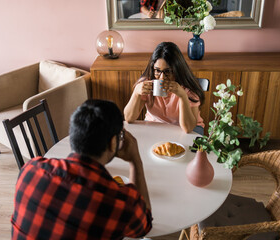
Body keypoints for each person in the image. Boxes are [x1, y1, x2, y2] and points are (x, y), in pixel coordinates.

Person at [11, 99, 152, 240]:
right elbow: (143, 227)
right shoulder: (118, 203)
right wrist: (135, 161)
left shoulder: (30, 170)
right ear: (113, 142)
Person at [124, 42, 205, 135]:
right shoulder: (147, 83)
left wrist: (182, 95)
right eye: (157, 71)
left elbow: (188, 128)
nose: (162, 77)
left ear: (177, 70)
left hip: (186, 129)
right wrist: (136, 93)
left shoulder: (189, 89)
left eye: (168, 71)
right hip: (155, 125)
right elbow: (128, 118)